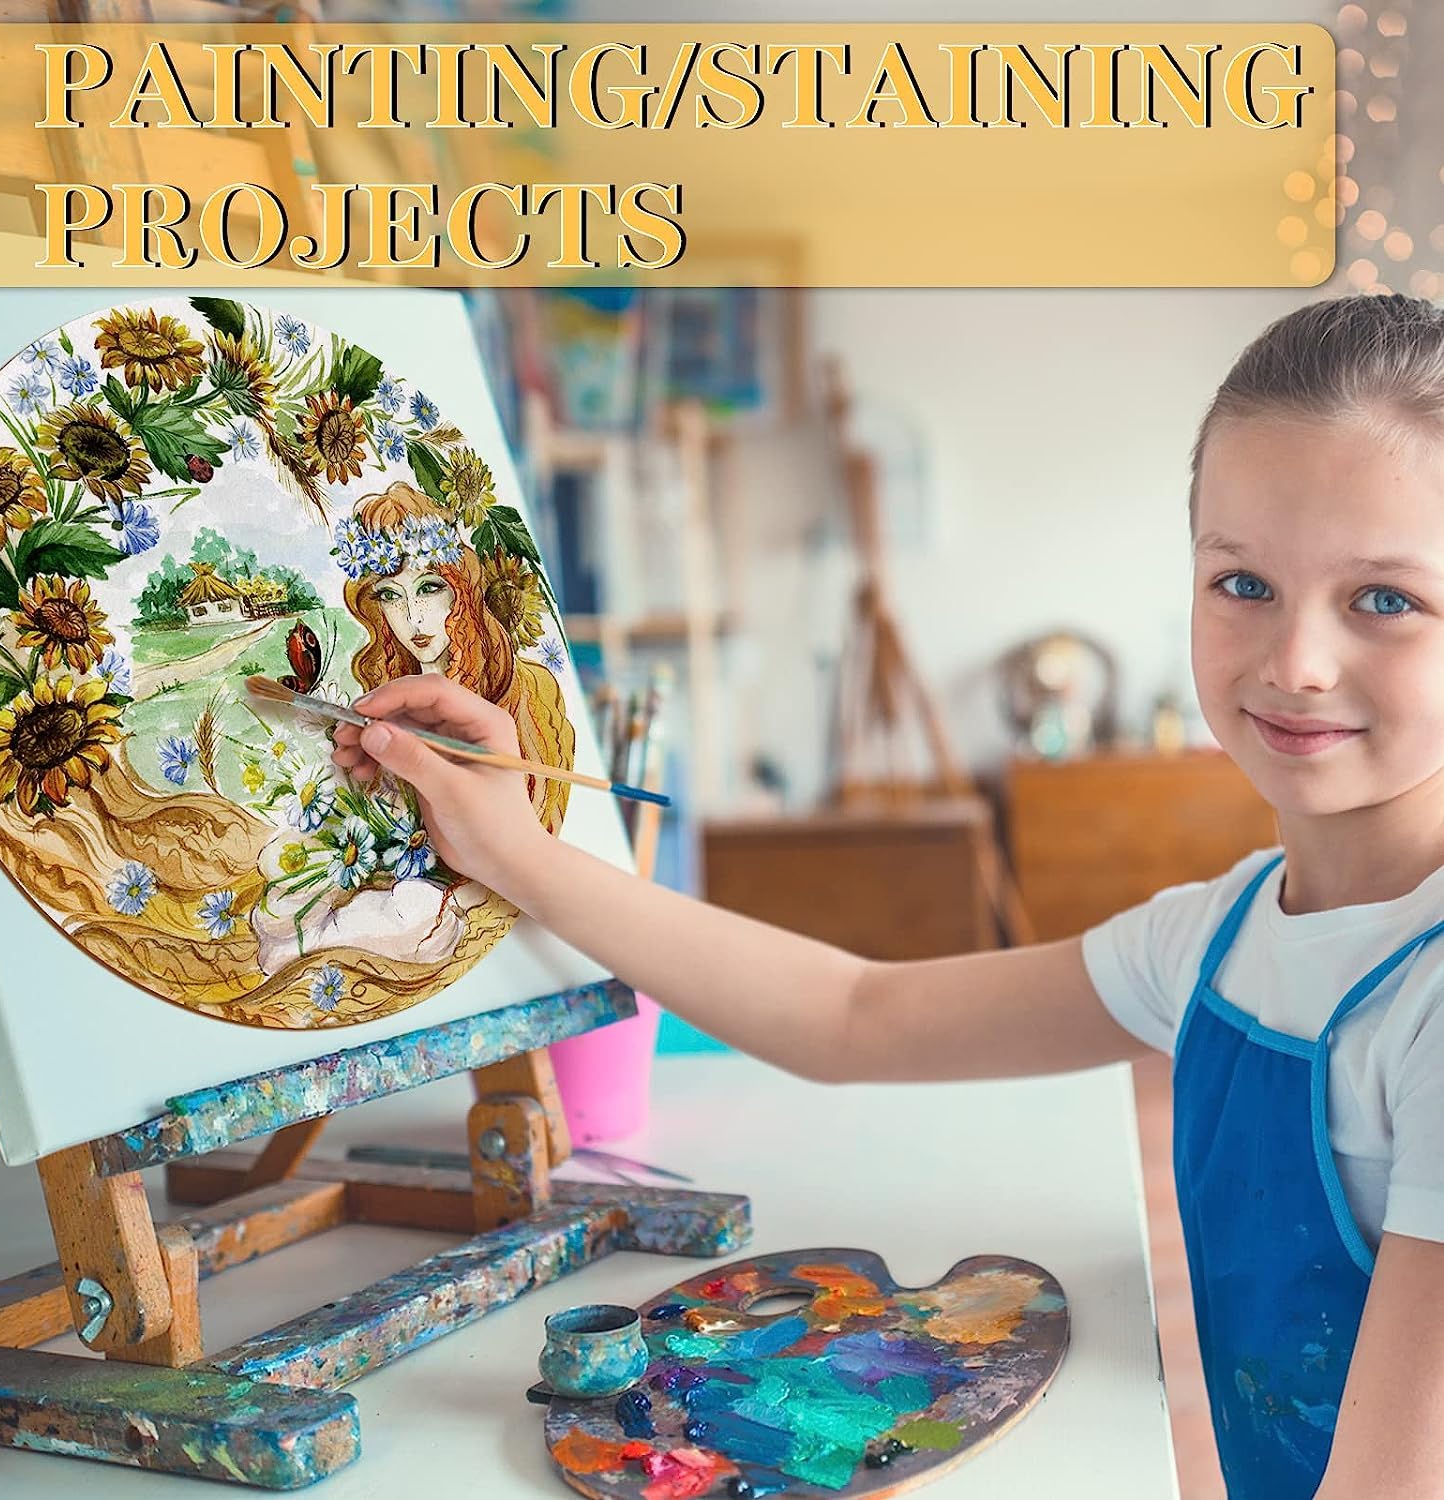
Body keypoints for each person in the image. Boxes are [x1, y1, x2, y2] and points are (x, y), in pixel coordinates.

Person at [331, 294, 1444, 1500]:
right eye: (1243, 582)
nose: (1296, 663)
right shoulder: (1218, 939)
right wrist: (515, 850)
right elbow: (852, 1013)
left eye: (1384, 599)